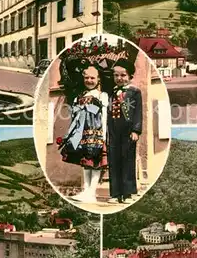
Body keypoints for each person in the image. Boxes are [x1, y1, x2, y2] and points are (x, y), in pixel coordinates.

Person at [59, 60, 108, 203]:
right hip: (82, 133)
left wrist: (104, 135)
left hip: (96, 133)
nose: (89, 80)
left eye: (92, 78)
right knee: (86, 163)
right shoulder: (79, 97)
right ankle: (85, 191)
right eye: (86, 78)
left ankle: (92, 193)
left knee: (96, 163)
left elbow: (104, 116)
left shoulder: (101, 96)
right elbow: (75, 117)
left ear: (98, 79)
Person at [107, 58, 142, 204]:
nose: (119, 78)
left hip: (128, 131)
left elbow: (138, 112)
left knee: (127, 160)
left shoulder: (134, 92)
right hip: (114, 130)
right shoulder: (112, 92)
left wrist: (136, 130)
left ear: (130, 76)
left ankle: (128, 193)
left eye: (123, 75)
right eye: (116, 75)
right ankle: (115, 194)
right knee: (114, 161)